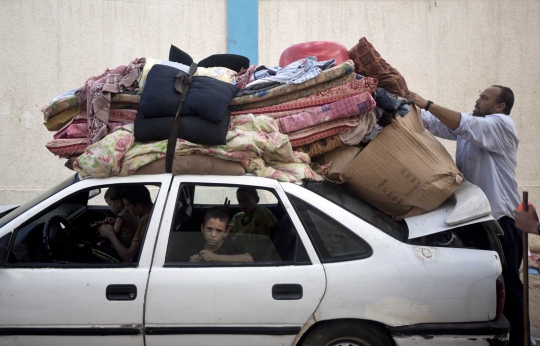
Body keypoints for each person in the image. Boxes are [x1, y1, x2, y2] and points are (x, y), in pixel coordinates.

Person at [408, 86, 523, 345]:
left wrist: (425, 102)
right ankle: (489, 336)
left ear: (499, 107)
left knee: (507, 283)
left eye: (484, 97)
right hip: (474, 217)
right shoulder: (472, 128)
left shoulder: (500, 125)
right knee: (483, 282)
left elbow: (460, 122)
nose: (477, 99)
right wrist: (403, 102)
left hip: (501, 220)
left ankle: (517, 339)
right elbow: (435, 123)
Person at [99, 185, 153, 262]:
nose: (126, 208)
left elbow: (129, 257)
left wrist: (110, 234)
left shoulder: (145, 220)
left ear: (139, 206)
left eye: (127, 205)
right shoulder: (150, 212)